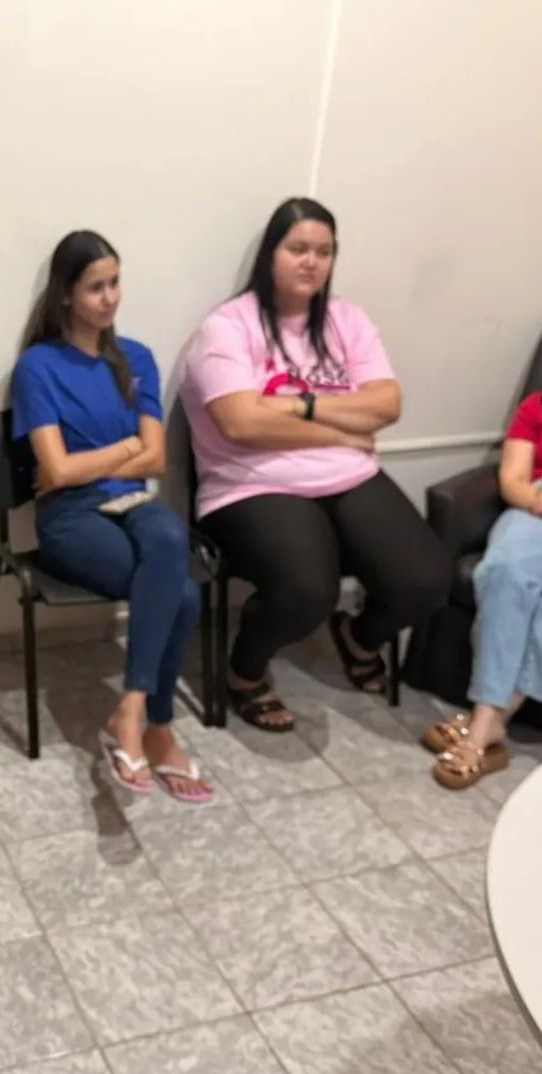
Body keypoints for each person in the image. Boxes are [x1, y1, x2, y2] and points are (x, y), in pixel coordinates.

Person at [180, 197, 449, 731]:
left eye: (324, 252)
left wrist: (299, 406)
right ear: (271, 254)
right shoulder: (228, 326)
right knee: (307, 590)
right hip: (250, 485)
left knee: (426, 580)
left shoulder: (347, 320)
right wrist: (342, 427)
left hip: (348, 475)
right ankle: (244, 672)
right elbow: (241, 423)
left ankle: (358, 637)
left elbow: (386, 405)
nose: (312, 262)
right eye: (298, 248)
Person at [11, 230, 212, 801]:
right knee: (182, 594)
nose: (109, 298)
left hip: (133, 504)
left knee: (168, 533)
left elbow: (157, 458)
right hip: (70, 517)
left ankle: (131, 710)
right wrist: (126, 448)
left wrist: (91, 462)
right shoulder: (38, 367)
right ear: (66, 295)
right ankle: (158, 728)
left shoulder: (137, 359)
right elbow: (56, 472)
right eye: (95, 287)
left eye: (115, 283)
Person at [422, 390, 542, 787]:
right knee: (505, 570)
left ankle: (483, 725)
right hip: (535, 505)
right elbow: (513, 481)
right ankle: (491, 722)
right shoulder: (536, 407)